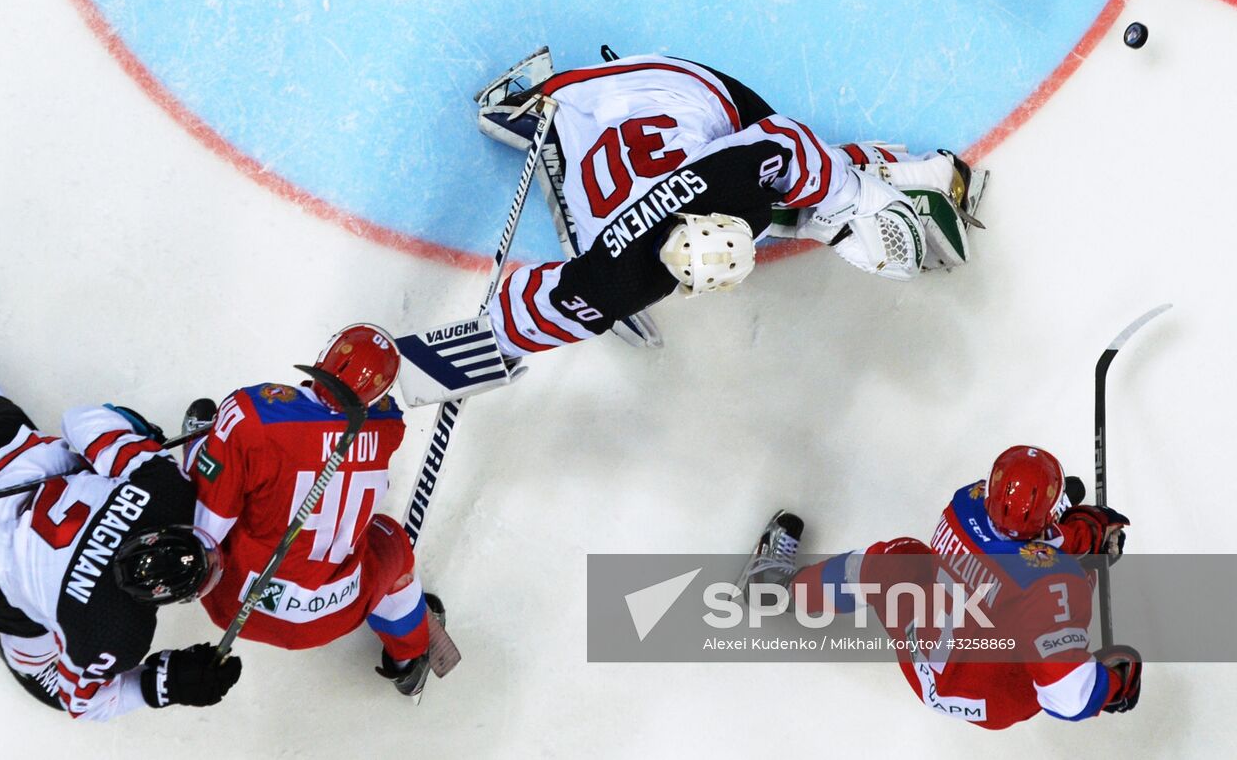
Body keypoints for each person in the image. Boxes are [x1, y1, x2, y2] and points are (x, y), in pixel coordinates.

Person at [476, 50, 983, 357]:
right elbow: (540, 308)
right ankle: (874, 190)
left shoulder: (622, 271)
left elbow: (784, 139)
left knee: (796, 200)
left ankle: (925, 174)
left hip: (657, 94)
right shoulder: (615, 276)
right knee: (780, 200)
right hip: (611, 102)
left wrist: (851, 208)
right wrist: (496, 340)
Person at [0, 297, 242, 720]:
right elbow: (81, 704)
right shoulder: (111, 634)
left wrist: (136, 440)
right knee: (26, 625)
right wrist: (164, 685)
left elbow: (83, 420)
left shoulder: (161, 490)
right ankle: (26, 662)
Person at [741, 445, 1140, 730]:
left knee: (897, 560)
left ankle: (775, 589)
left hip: (921, 658)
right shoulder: (1054, 579)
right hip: (991, 701)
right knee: (1062, 596)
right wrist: (1117, 683)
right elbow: (1069, 699)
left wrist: (1074, 531)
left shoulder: (966, 502)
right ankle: (1069, 637)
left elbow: (1008, 551)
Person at [186, 324, 444, 696]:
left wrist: (215, 443)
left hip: (234, 602)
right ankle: (409, 659)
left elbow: (208, 525)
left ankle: (201, 443)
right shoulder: (389, 423)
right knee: (392, 540)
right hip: (334, 613)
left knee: (219, 477)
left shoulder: (252, 416)